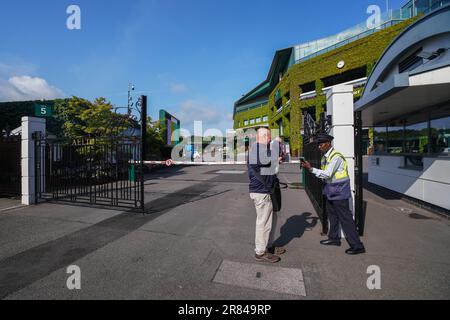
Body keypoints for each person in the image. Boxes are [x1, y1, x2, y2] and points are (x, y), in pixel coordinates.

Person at [301, 133, 366, 255]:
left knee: (345, 218)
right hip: (331, 191)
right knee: (332, 216)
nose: (319, 146)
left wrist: (310, 168)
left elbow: (327, 174)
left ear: (328, 143)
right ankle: (334, 238)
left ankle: (357, 245)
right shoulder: (326, 156)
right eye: (318, 144)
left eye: (321, 144)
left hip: (339, 192)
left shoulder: (336, 157)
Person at [248, 128, 286, 263]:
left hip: (266, 190)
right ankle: (260, 252)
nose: (270, 139)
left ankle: (268, 246)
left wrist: (276, 160)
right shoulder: (258, 149)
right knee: (263, 223)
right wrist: (276, 143)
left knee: (270, 220)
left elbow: (269, 165)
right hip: (261, 192)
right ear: (263, 136)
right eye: (269, 137)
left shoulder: (261, 150)